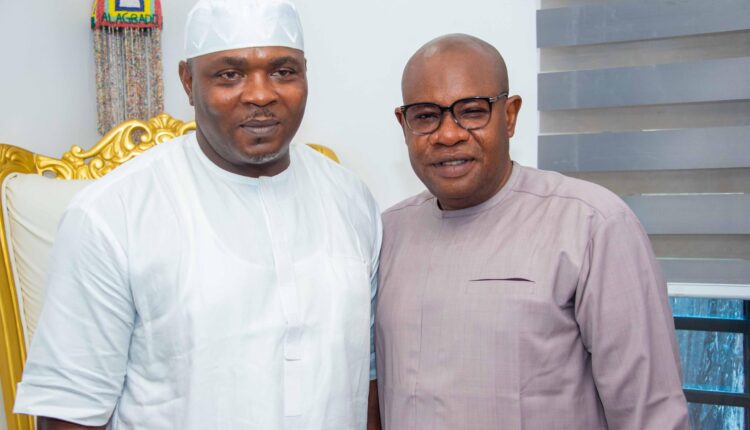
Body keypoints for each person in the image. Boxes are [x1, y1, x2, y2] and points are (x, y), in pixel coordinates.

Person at [13, 0, 382, 428]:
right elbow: (70, 409)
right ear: (188, 82)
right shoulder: (113, 213)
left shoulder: (350, 199)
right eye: (230, 74)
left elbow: (368, 375)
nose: (261, 94)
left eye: (283, 71)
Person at [374, 34, 689, 429]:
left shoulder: (591, 225)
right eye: (425, 116)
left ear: (509, 116)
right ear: (404, 125)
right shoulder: (386, 235)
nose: (448, 134)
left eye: (472, 111)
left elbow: (651, 414)